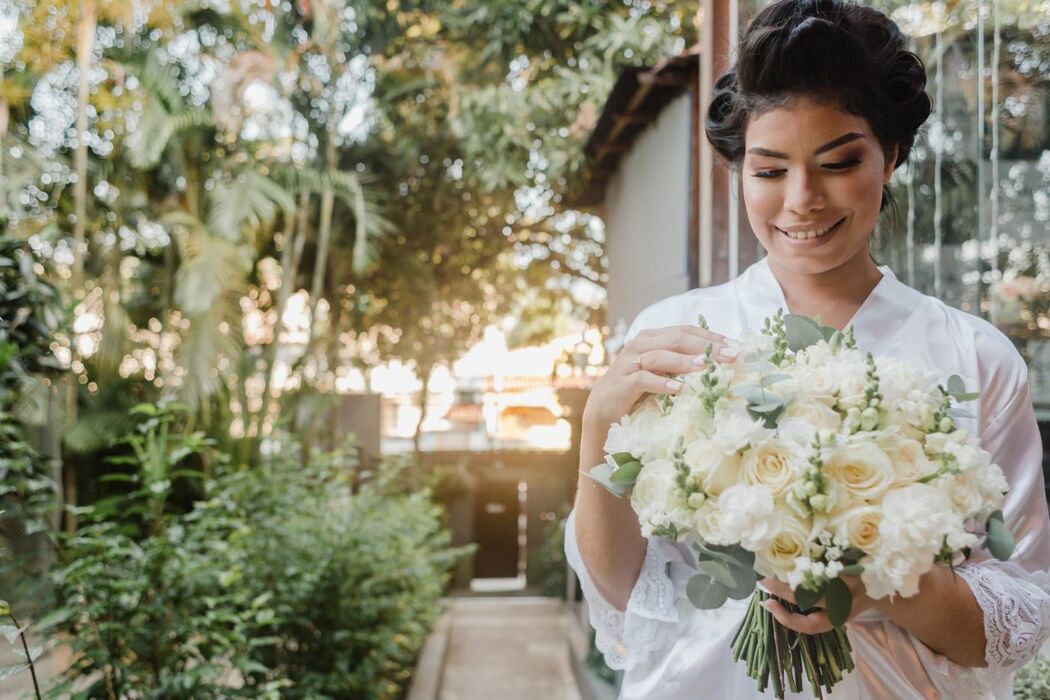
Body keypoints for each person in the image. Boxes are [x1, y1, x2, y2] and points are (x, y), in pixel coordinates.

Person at [564, 1, 1050, 697]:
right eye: (768, 172)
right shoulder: (673, 335)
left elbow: (1019, 615)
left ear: (892, 156)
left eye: (838, 162)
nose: (802, 200)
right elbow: (622, 592)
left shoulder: (975, 357)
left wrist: (879, 582)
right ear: (740, 172)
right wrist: (596, 428)